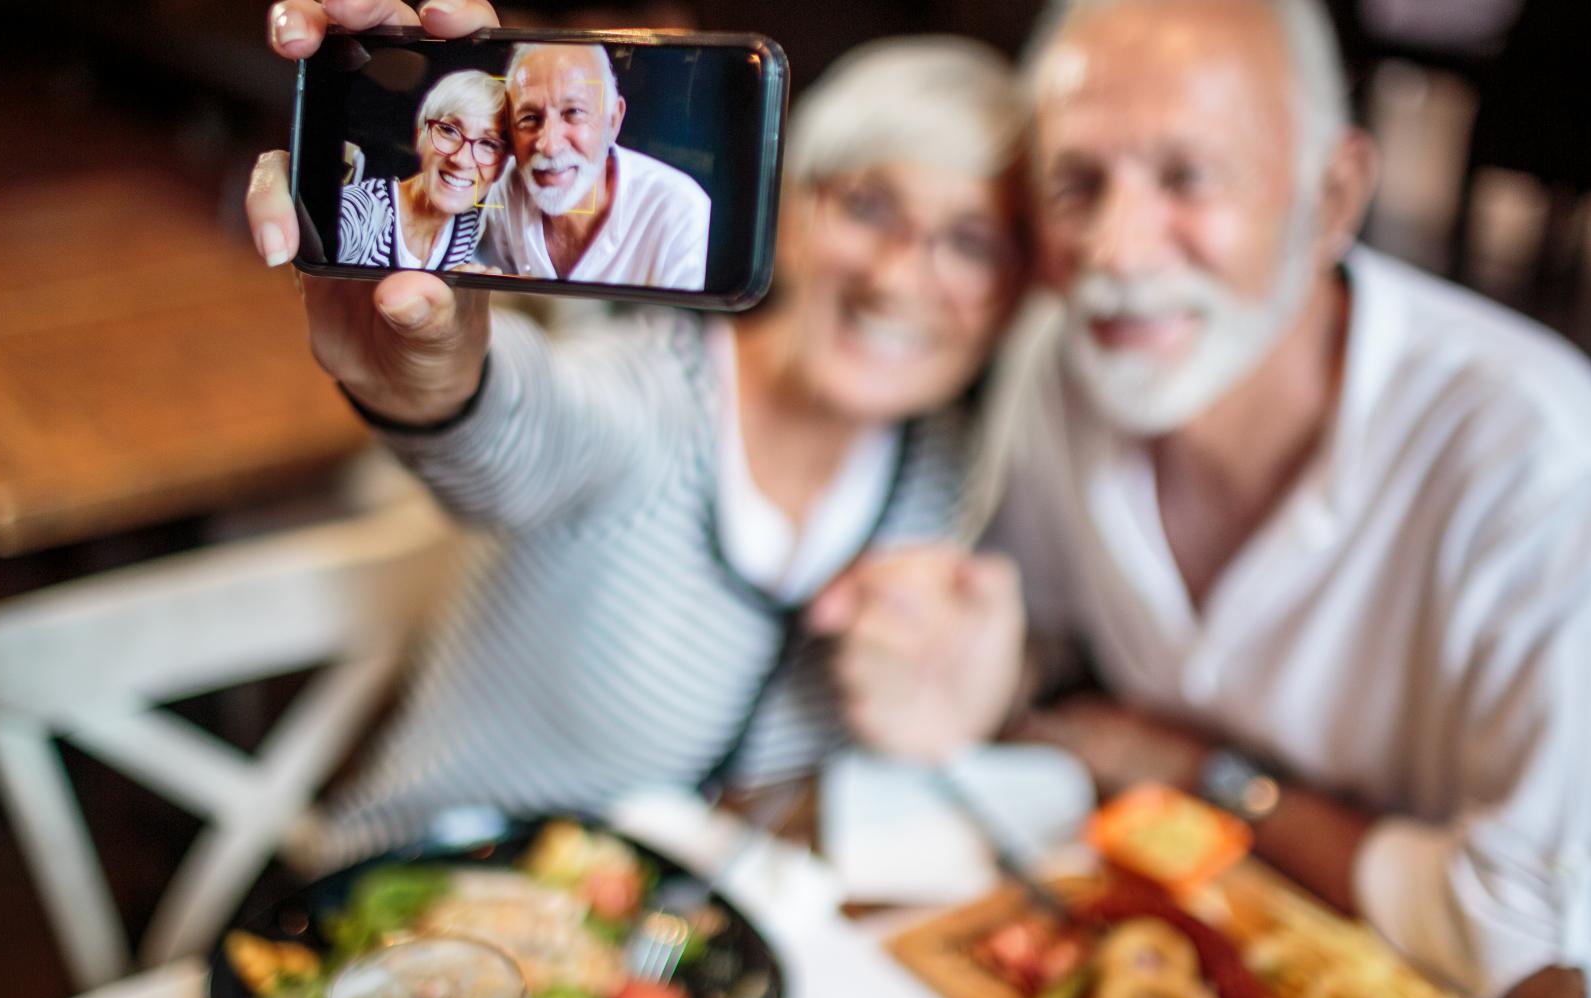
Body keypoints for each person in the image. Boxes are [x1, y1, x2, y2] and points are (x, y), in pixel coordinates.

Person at [813, 0, 1591, 998]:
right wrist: (972, 661)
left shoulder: (1519, 444)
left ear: (1333, 197)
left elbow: (1552, 971)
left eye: (1187, 177)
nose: (1116, 249)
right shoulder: (1064, 368)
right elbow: (1043, 660)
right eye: (1076, 183)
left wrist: (1194, 773)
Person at [251, 0, 1032, 871]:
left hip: (676, 959)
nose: (898, 277)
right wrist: (437, 380)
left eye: (971, 243)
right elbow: (529, 427)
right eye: (870, 206)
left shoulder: (956, 472)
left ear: (1017, 294)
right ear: (799, 206)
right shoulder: (652, 387)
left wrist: (992, 690)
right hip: (412, 898)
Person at [481, 42, 712, 289]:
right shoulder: (498, 187)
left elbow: (682, 326)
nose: (549, 145)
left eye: (573, 112)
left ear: (613, 121)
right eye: (528, 117)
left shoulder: (678, 208)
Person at [337, 69, 508, 270]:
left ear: (501, 168)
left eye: (488, 144)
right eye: (449, 130)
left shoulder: (468, 225)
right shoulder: (362, 210)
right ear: (421, 135)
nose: (461, 159)